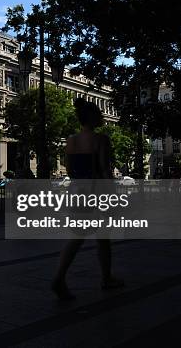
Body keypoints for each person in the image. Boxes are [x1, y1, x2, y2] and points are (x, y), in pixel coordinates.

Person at [51, 98, 124, 301]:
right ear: (92, 117)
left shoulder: (71, 140)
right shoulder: (101, 140)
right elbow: (104, 169)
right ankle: (105, 277)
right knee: (102, 238)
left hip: (78, 191)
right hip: (96, 191)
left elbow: (69, 167)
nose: (102, 117)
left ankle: (61, 276)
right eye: (99, 114)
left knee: (78, 236)